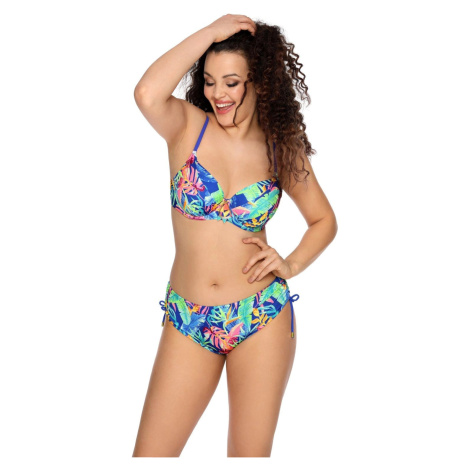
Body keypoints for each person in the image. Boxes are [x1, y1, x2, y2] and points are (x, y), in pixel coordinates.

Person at [132, 14, 338, 457]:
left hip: (260, 316)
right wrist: (211, 33)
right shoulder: (187, 127)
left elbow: (323, 220)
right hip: (188, 319)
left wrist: (291, 263)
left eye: (231, 82)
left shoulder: (280, 146)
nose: (217, 94)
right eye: (209, 82)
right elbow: (147, 93)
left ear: (259, 82)